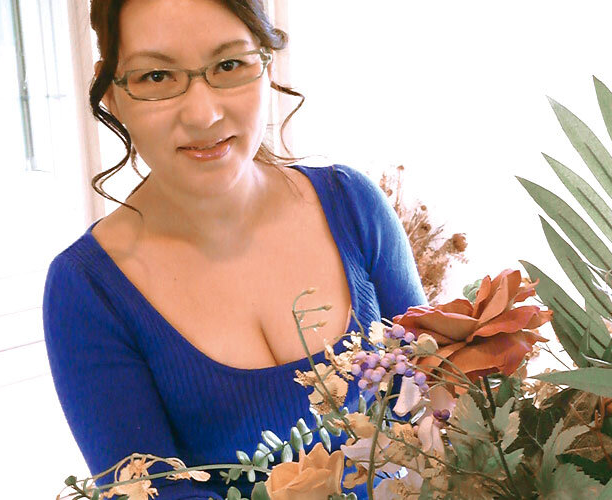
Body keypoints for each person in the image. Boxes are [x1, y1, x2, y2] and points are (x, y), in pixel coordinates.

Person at [42, 0, 426, 498]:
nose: (203, 114)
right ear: (112, 92)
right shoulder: (88, 289)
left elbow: (437, 409)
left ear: (266, 63)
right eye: (156, 76)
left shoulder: (353, 205)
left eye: (228, 65)